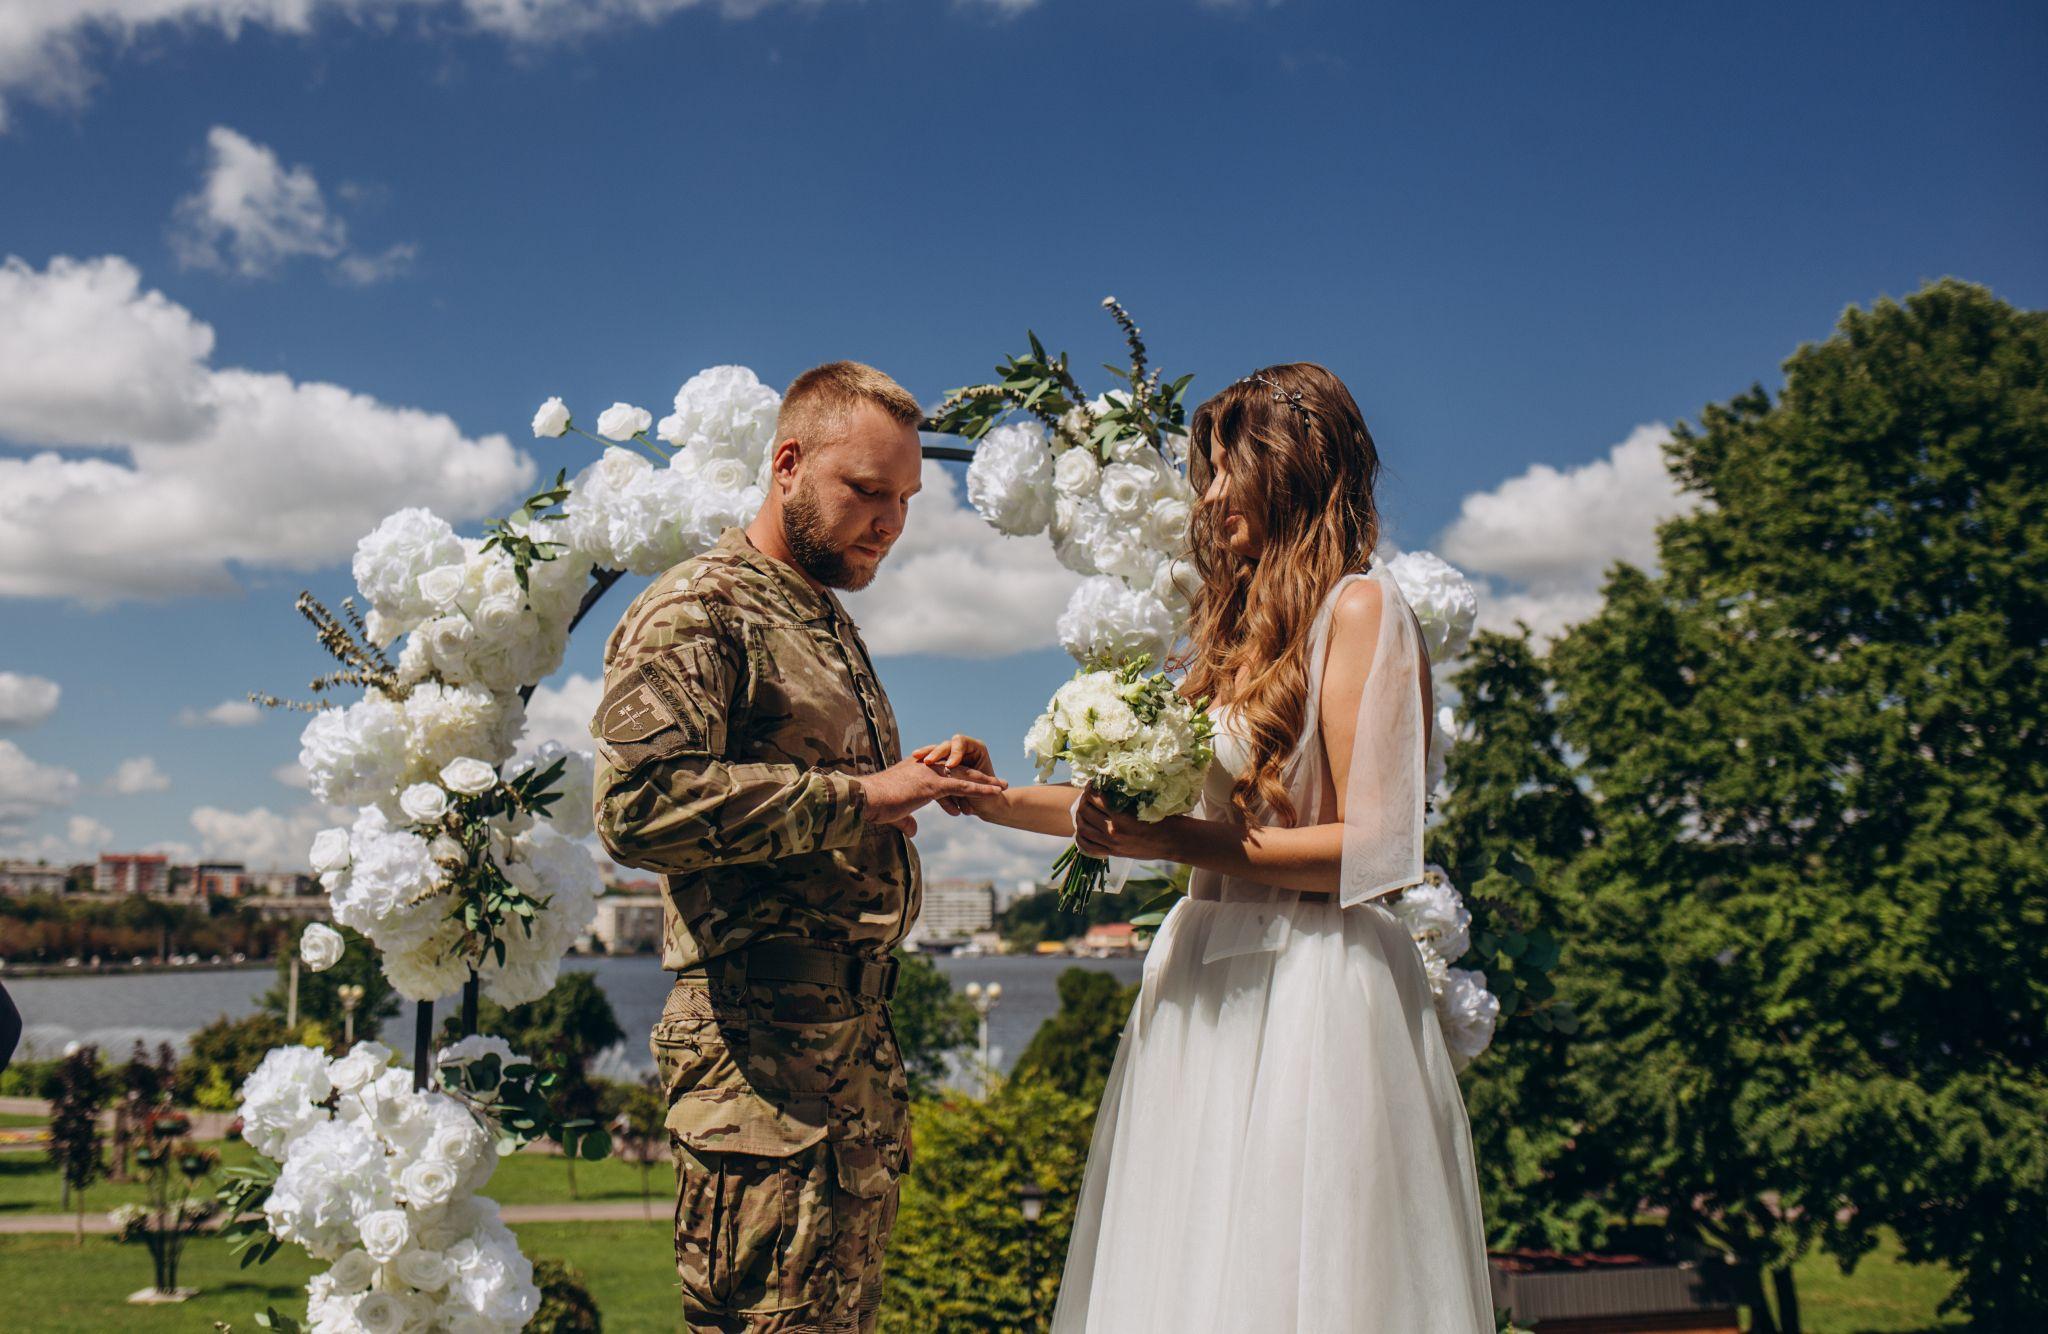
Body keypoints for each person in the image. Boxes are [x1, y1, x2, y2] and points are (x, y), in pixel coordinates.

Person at [925, 363, 1494, 1332]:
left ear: (1295, 468)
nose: (1210, 493)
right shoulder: (1229, 632)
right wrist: (987, 795)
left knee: (1301, 1280)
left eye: (1228, 468)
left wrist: (1177, 837)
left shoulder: (1361, 611)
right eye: (1205, 474)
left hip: (1315, 987)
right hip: (1202, 983)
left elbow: (1378, 844)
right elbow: (1140, 803)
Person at [593, 360, 1007, 1333]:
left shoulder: (819, 614)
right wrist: (863, 794)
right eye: (866, 491)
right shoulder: (700, 606)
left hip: (847, 1074)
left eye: (903, 499)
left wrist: (912, 779)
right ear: (787, 462)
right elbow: (637, 804)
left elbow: (820, 805)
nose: (889, 522)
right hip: (758, 1081)